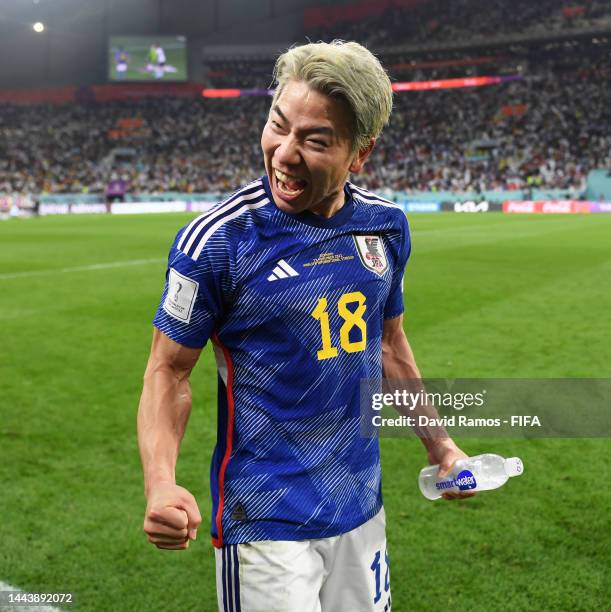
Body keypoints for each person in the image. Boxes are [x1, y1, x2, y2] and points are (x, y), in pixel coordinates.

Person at [138, 40, 473, 612]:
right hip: (264, 517)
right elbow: (168, 371)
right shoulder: (219, 241)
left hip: (361, 507)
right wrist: (160, 482)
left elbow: (389, 347)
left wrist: (440, 446)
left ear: (358, 154)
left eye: (315, 140)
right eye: (278, 125)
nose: (284, 153)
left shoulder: (384, 227)